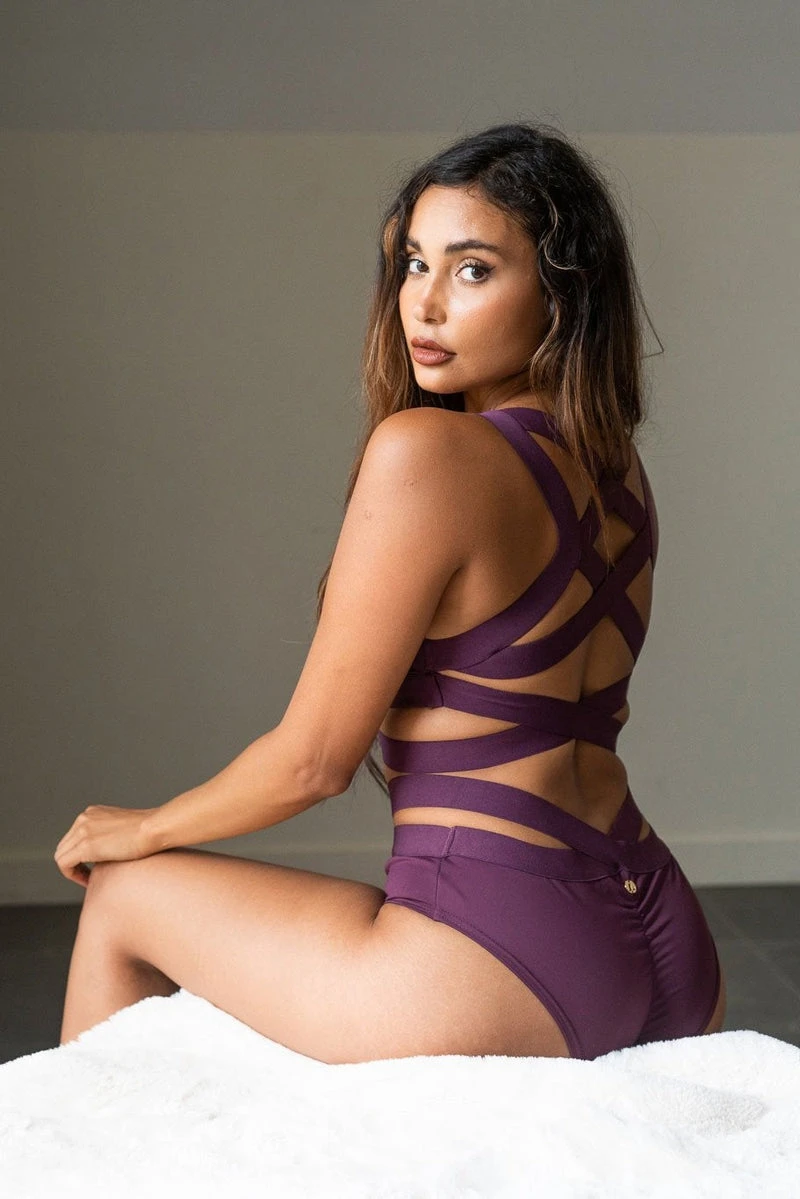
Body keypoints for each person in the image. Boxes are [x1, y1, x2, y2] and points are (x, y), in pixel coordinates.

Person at [55, 121, 725, 1063]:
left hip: (511, 940)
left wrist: (143, 828)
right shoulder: (617, 472)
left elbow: (313, 763)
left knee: (124, 893)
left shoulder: (428, 452)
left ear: (561, 293)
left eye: (473, 269)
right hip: (663, 931)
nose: (425, 304)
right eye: (415, 263)